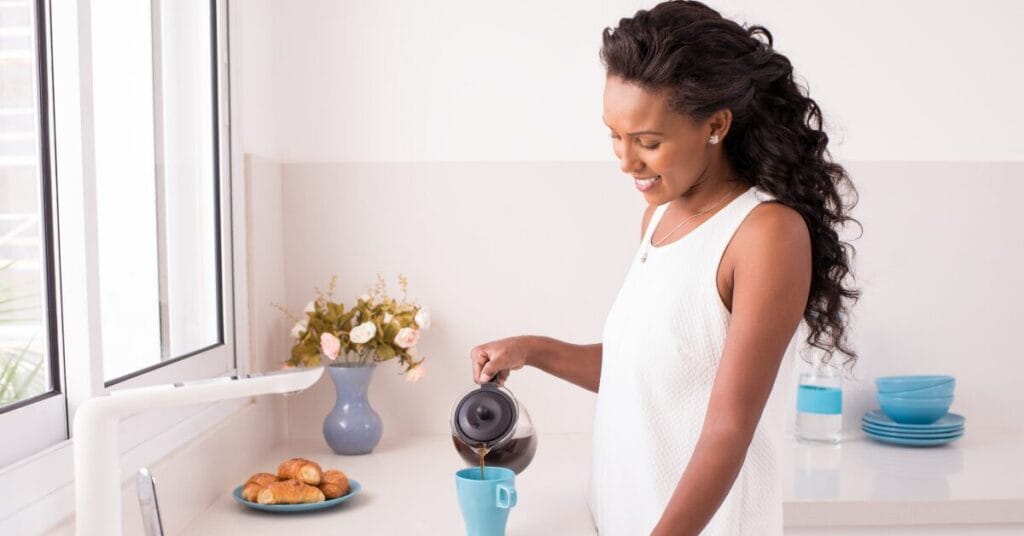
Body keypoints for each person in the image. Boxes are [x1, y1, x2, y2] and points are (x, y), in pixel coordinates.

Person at [469, 1, 859, 534]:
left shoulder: (766, 233)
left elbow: (728, 429)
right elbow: (646, 373)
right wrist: (532, 350)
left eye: (648, 142)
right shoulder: (659, 217)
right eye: (614, 134)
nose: (626, 161)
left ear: (716, 125)